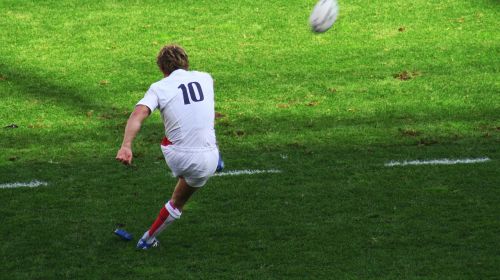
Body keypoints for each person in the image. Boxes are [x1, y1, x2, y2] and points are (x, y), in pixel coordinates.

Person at [116, 44, 221, 250]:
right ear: (187, 63)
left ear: (162, 70)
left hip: (179, 156)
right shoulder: (206, 78)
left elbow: (138, 114)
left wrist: (126, 145)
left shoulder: (160, 87)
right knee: (177, 202)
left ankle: (148, 241)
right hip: (209, 158)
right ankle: (147, 240)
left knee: (173, 138)